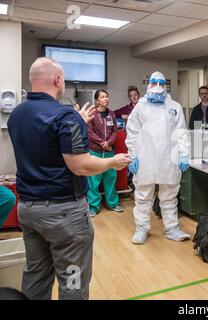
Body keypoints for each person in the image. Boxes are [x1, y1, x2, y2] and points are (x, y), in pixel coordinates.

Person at [7, 57, 130, 300]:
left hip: (28, 209)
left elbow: (44, 145)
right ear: (58, 80)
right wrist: (113, 162)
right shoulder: (64, 116)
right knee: (73, 278)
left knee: (36, 273)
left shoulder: (17, 114)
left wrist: (78, 124)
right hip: (64, 215)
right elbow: (81, 165)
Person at [126, 71, 190, 244]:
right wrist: (132, 157)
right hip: (145, 159)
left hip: (169, 159)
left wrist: (184, 154)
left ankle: (171, 228)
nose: (158, 86)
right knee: (143, 196)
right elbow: (132, 133)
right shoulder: (140, 107)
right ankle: (142, 229)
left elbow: (181, 132)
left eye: (161, 83)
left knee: (169, 196)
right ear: (148, 84)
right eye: (154, 82)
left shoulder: (174, 107)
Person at [87, 90, 123, 217]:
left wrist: (109, 143)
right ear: (97, 100)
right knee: (93, 180)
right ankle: (93, 207)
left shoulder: (111, 114)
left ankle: (113, 203)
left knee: (110, 178)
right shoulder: (92, 113)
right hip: (95, 152)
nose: (106, 99)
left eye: (107, 96)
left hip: (109, 152)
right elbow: (89, 131)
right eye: (102, 97)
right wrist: (102, 142)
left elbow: (114, 131)